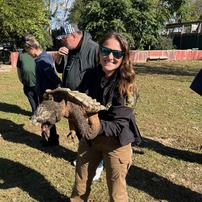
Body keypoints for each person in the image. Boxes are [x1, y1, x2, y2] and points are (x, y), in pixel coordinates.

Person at [70, 31, 142, 202]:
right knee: (79, 187)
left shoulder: (127, 86)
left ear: (124, 57)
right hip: (90, 140)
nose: (110, 57)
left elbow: (118, 125)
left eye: (117, 53)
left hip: (116, 143)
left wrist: (92, 122)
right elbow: (79, 101)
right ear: (99, 51)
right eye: (105, 51)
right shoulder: (89, 75)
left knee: (117, 194)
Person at [55, 23, 103, 181]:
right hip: (73, 101)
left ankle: (98, 163)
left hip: (87, 102)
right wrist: (59, 57)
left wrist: (92, 101)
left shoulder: (93, 49)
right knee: (82, 130)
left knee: (92, 131)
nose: (62, 42)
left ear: (73, 36)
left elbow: (103, 74)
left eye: (63, 39)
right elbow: (62, 70)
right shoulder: (69, 49)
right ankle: (85, 157)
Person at [24, 35, 61, 146]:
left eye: (28, 52)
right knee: (48, 117)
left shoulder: (42, 61)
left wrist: (55, 89)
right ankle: (52, 139)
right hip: (44, 92)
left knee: (45, 117)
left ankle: (49, 139)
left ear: (32, 48)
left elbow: (53, 77)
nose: (29, 55)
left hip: (46, 95)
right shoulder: (45, 56)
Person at [17, 34, 38, 117]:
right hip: (26, 81)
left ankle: (40, 114)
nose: (27, 42)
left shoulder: (37, 52)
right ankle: (34, 112)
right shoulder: (21, 53)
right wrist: (20, 79)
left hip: (37, 82)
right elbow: (19, 67)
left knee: (39, 98)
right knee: (30, 97)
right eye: (26, 40)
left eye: (29, 40)